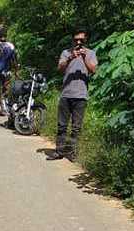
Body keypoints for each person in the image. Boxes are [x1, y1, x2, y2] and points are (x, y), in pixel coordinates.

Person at [49, 28, 97, 161]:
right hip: (66, 94)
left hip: (81, 95)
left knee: (76, 127)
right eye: (76, 39)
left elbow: (94, 69)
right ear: (73, 40)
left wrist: (84, 56)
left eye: (81, 39)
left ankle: (71, 152)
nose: (79, 42)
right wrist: (71, 57)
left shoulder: (91, 53)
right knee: (62, 125)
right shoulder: (66, 53)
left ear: (86, 40)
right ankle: (59, 151)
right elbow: (60, 68)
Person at [0, 28, 18, 116]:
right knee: (5, 90)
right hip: (6, 71)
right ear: (6, 36)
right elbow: (14, 60)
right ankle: (4, 107)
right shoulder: (11, 46)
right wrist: (16, 71)